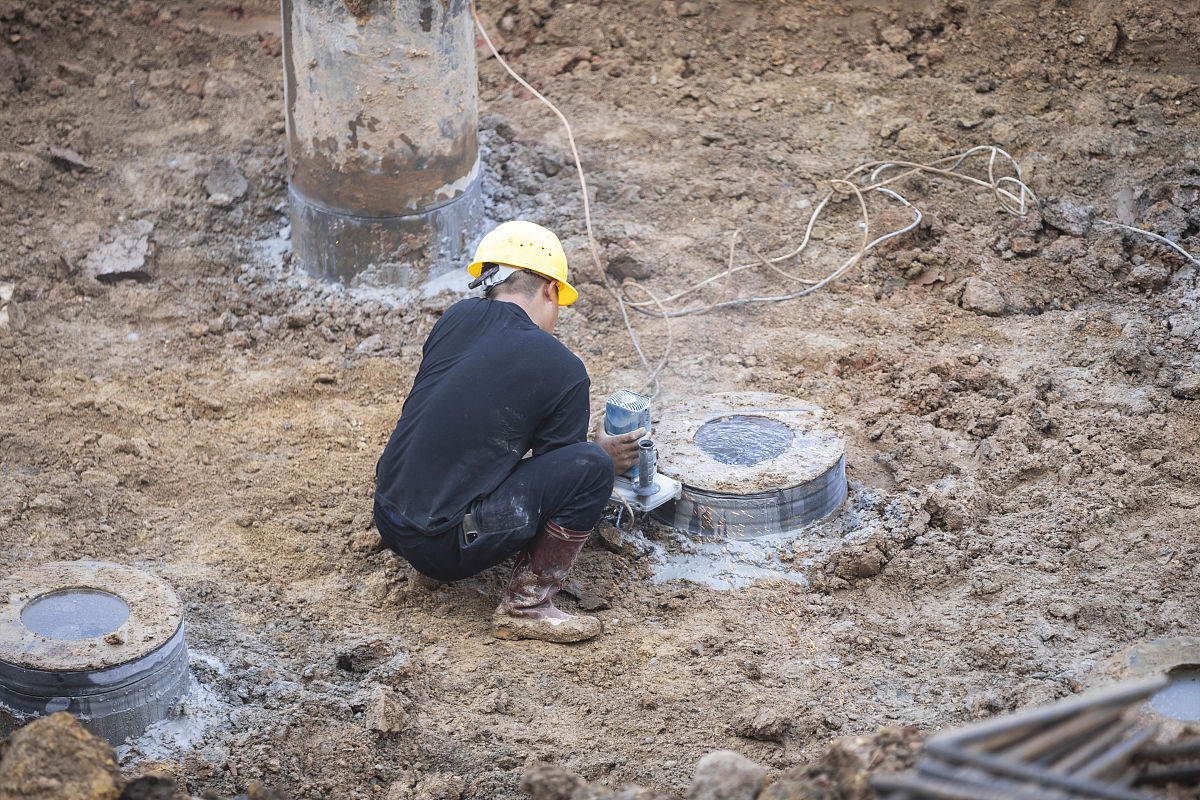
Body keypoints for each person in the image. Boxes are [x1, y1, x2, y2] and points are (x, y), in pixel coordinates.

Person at [373, 220, 643, 643]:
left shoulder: (456, 318)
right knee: (591, 468)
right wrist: (601, 455)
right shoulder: (563, 368)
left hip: (388, 516)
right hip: (442, 548)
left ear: (491, 282)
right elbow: (566, 476)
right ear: (551, 290)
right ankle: (528, 606)